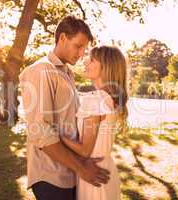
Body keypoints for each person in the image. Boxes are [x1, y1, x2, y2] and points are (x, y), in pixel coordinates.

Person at [19, 16, 110, 200]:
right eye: (78, 46)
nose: (81, 53)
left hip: (70, 173)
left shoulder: (66, 73)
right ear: (62, 38)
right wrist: (81, 168)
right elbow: (40, 131)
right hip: (52, 177)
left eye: (84, 48)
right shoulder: (41, 71)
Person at [61, 46, 128, 200]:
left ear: (105, 67)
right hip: (106, 171)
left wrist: (56, 134)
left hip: (94, 175)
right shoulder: (109, 98)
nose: (85, 62)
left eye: (91, 60)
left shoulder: (95, 99)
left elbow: (84, 150)